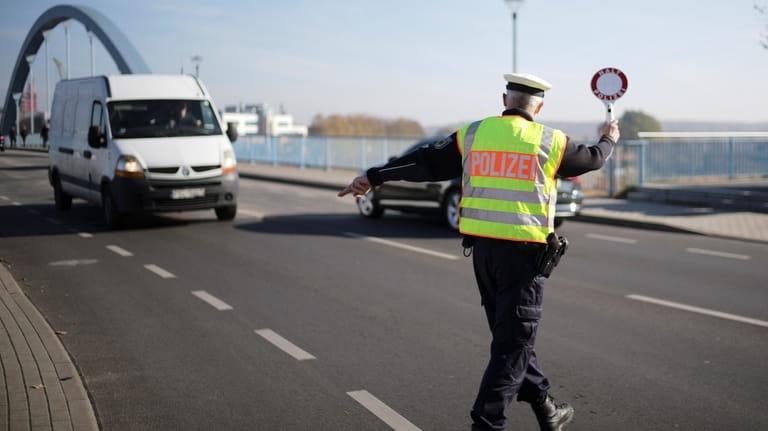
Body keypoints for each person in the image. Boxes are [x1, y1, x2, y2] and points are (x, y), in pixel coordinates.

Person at [338, 73, 620, 431]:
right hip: (525, 257)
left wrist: (374, 176)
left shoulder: (473, 134)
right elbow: (594, 159)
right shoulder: (550, 141)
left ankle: (546, 406)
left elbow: (424, 162)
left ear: (505, 100)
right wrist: (609, 138)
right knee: (512, 346)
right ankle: (487, 423)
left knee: (510, 339)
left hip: (484, 254)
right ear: (540, 106)